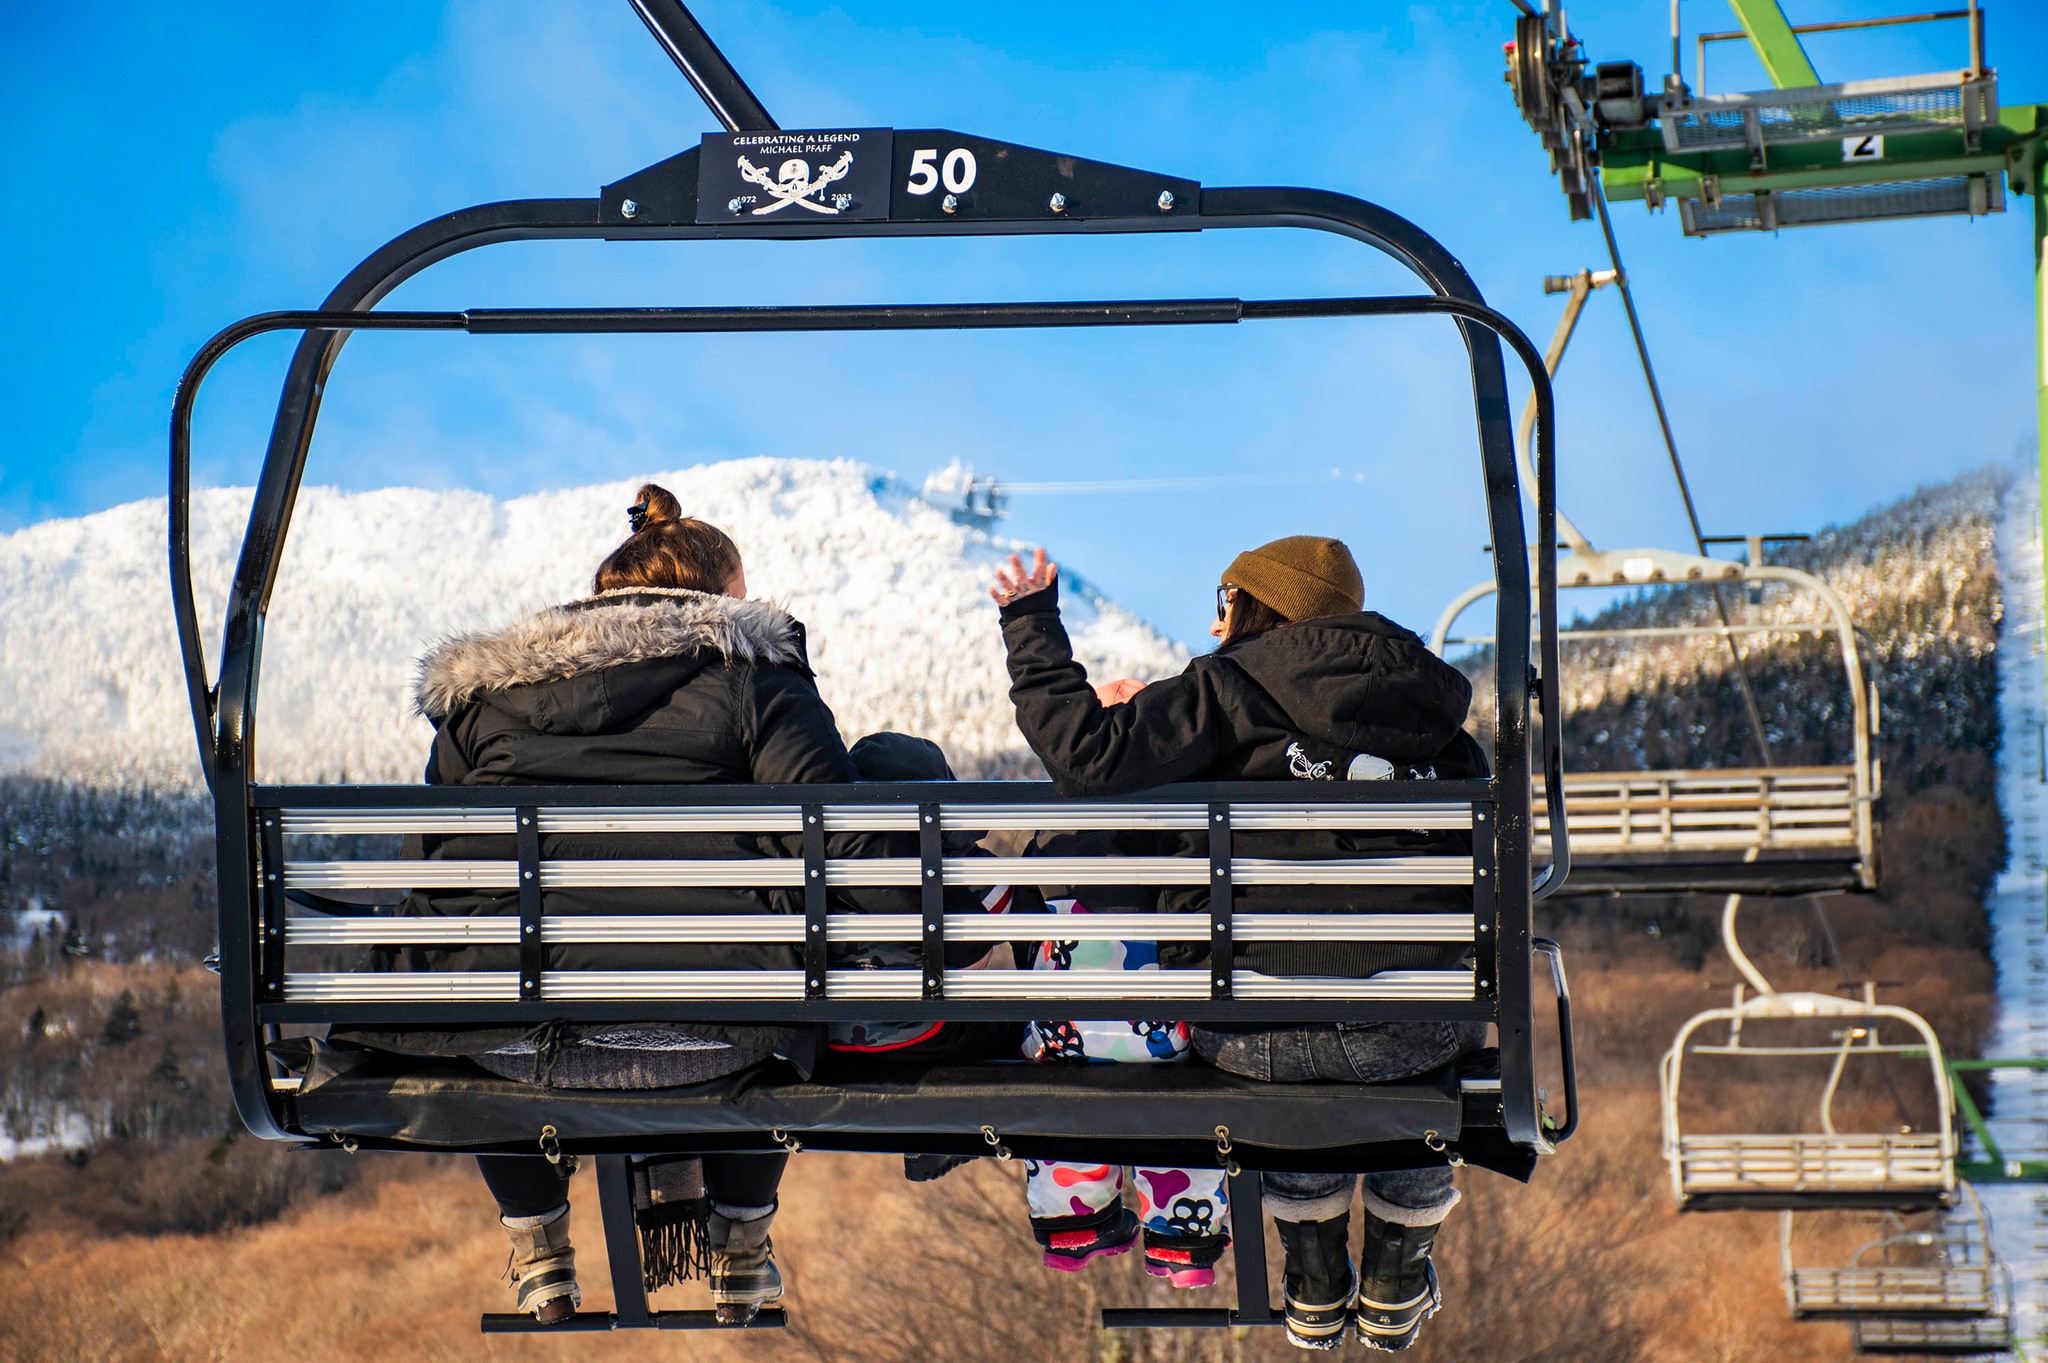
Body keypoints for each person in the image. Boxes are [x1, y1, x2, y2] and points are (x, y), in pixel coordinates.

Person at [376, 483, 899, 1325]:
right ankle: (740, 1237)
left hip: (509, 1039)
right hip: (716, 1034)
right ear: (721, 597)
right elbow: (841, 841)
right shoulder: (756, 678)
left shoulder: (484, 700)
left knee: (479, 972)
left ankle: (537, 1240)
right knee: (775, 982)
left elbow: (431, 867)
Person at [989, 536, 1485, 1353]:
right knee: (1421, 1062)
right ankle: (1398, 1265)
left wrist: (1031, 623)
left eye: (1224, 602)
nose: (1215, 623)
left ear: (1258, 605)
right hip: (1412, 1024)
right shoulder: (1436, 710)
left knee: (1283, 1052)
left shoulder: (1225, 689)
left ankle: (1315, 1267)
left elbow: (1087, 755)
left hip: (1249, 1025)